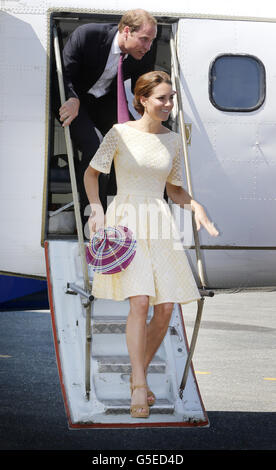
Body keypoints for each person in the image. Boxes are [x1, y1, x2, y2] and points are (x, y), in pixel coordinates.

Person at [84, 70, 219, 419]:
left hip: (158, 221)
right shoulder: (119, 134)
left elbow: (173, 189)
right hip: (126, 219)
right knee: (141, 302)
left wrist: (196, 206)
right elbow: (92, 172)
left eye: (171, 98)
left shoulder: (173, 141)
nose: (169, 104)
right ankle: (141, 386)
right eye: (162, 98)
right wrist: (96, 209)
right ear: (142, 100)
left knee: (166, 308)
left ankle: (135, 374)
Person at [59, 9, 157, 223]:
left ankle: (120, 213)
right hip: (74, 101)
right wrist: (71, 97)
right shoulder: (87, 35)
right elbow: (62, 73)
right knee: (98, 146)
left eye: (151, 41)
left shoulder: (142, 54)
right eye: (144, 40)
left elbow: (144, 89)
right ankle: (92, 218)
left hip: (104, 102)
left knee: (127, 144)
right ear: (127, 31)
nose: (148, 47)